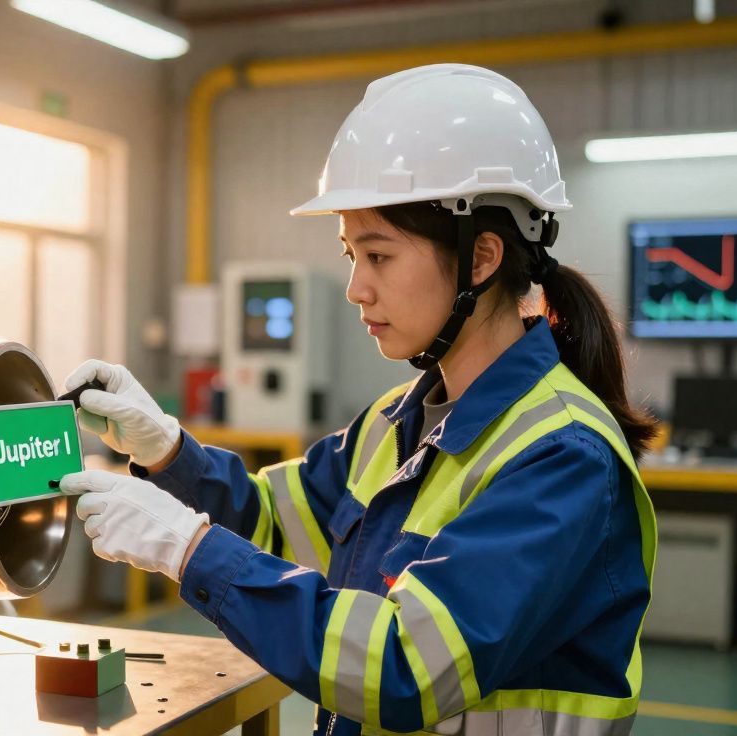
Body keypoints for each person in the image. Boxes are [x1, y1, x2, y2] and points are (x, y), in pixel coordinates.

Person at [58, 64, 657, 736]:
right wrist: (164, 449)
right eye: (350, 254)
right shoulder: (393, 423)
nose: (355, 289)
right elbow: (270, 529)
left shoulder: (560, 458)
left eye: (379, 256)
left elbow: (407, 666)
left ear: (481, 258)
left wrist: (185, 548)